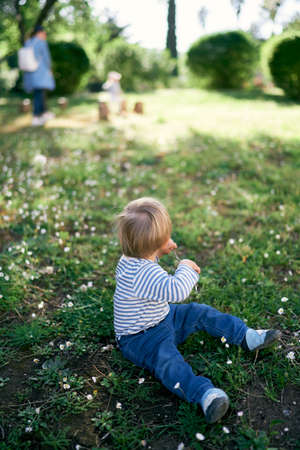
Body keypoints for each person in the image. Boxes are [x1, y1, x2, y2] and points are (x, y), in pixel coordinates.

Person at [114, 198, 281, 423]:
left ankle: (246, 336)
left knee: (199, 312)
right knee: (168, 362)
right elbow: (177, 291)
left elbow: (152, 259)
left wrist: (161, 245)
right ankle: (205, 395)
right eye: (164, 239)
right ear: (150, 244)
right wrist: (186, 268)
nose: (169, 242)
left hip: (163, 317)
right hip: (141, 337)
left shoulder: (134, 256)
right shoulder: (141, 274)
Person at [23, 26, 55, 126]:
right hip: (40, 73)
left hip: (30, 73)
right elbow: (46, 58)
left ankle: (43, 113)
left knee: (39, 93)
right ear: (40, 33)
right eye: (44, 33)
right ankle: (36, 117)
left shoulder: (28, 42)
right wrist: (50, 69)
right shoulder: (41, 42)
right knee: (39, 94)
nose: (45, 36)